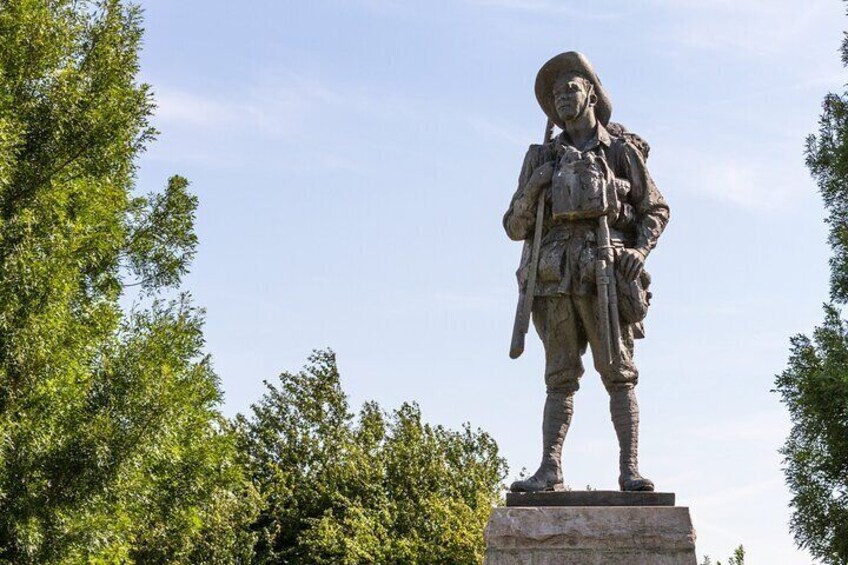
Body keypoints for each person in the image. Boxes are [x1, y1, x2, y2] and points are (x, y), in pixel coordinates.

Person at [504, 52, 670, 493]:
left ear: (591, 94)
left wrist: (639, 250)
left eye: (570, 89)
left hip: (603, 270)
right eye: (555, 94)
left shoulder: (619, 151)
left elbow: (655, 208)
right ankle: (550, 468)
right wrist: (535, 186)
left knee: (618, 372)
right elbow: (513, 227)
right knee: (559, 377)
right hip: (552, 278)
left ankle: (630, 469)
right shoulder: (541, 158)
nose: (561, 98)